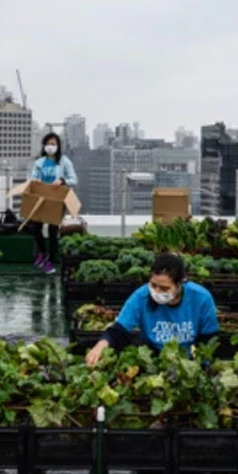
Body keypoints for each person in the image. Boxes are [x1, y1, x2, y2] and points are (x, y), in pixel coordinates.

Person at [84, 253, 219, 365]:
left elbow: (208, 340)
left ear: (180, 284)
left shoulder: (201, 298)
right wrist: (100, 346)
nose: (157, 291)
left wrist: (199, 366)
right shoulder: (140, 296)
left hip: (188, 361)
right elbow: (119, 330)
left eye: (164, 288)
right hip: (152, 359)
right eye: (153, 285)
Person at [28, 132, 78, 275]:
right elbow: (32, 178)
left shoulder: (64, 161)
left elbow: (74, 179)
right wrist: (35, 181)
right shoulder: (39, 162)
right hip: (41, 198)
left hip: (57, 199)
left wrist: (62, 181)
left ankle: (51, 261)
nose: (51, 146)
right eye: (48, 144)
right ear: (44, 146)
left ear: (58, 146)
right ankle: (43, 254)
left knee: (52, 230)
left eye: (53, 144)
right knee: (36, 227)